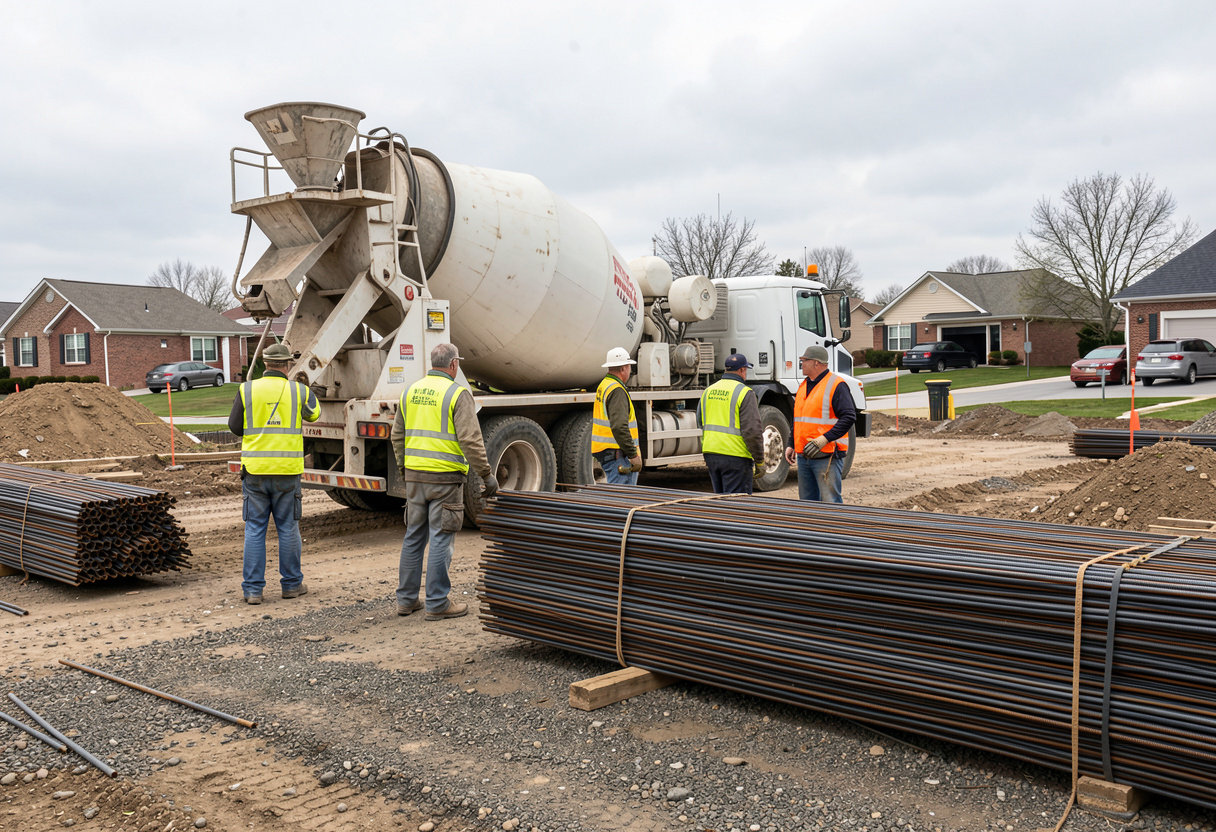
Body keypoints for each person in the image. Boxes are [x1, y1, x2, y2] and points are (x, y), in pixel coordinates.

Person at [392, 343, 498, 620]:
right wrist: (487, 475)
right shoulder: (457, 394)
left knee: (414, 537)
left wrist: (406, 470)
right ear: (453, 365)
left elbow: (397, 436)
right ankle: (437, 603)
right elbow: (470, 440)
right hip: (445, 480)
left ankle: (406, 601)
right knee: (441, 538)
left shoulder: (410, 391)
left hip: (415, 477)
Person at [228, 342, 322, 604]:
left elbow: (235, 427)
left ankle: (253, 591)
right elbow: (315, 414)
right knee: (288, 529)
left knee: (255, 529)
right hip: (287, 473)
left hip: (255, 473)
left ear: (265, 364)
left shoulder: (246, 390)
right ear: (287, 365)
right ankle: (291, 585)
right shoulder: (298, 391)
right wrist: (306, 390)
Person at [784, 345, 857, 503]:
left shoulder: (836, 385)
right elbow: (799, 419)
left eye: (804, 361)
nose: (801, 364)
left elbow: (849, 416)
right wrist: (791, 444)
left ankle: (833, 528)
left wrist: (824, 438)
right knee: (807, 503)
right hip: (805, 455)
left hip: (827, 456)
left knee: (830, 502)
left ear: (816, 363)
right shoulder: (804, 385)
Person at [698, 353, 765, 494]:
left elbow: (700, 422)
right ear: (742, 370)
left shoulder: (708, 391)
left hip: (711, 454)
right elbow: (752, 431)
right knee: (737, 506)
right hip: (736, 457)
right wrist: (759, 461)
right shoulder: (744, 392)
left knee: (721, 504)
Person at [592, 347, 642, 485]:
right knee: (622, 499)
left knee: (617, 498)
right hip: (618, 454)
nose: (630, 371)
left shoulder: (604, 385)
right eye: (629, 367)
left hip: (609, 452)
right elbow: (619, 426)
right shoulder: (617, 390)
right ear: (623, 369)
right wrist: (633, 455)